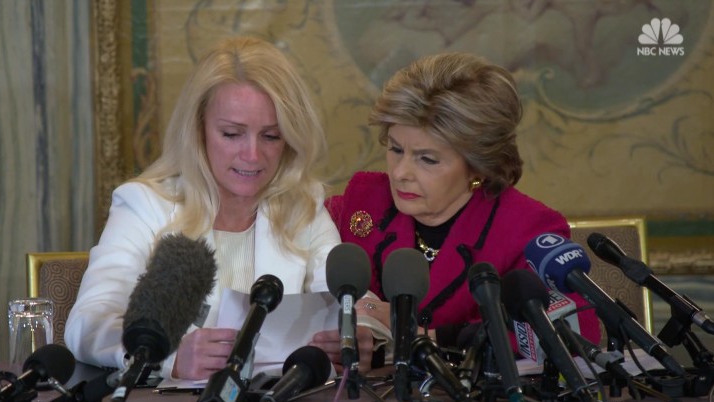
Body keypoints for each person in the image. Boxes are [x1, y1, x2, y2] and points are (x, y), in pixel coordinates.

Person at [65, 36, 373, 380]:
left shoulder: (303, 206)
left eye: (270, 136)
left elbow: (343, 304)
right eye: (231, 134)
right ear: (198, 131)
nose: (252, 155)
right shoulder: (144, 204)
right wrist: (168, 358)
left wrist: (354, 335)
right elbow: (87, 324)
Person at [325, 52, 601, 353]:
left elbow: (573, 333)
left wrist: (429, 337)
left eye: (427, 159)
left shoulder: (526, 229)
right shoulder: (364, 200)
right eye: (395, 149)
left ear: (478, 166)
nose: (401, 173)